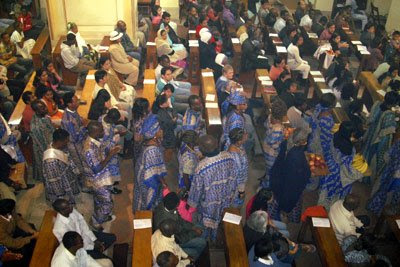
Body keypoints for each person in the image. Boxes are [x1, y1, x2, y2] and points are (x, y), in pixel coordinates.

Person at [187, 135, 237, 240]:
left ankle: (207, 240)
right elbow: (233, 177)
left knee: (206, 223)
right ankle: (215, 238)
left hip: (209, 202)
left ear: (202, 150)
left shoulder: (202, 167)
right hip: (225, 197)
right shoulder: (229, 156)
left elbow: (196, 189)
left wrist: (191, 204)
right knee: (220, 219)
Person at [83, 121, 121, 230]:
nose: (104, 132)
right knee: (107, 203)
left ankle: (101, 216)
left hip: (104, 176)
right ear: (95, 132)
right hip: (97, 180)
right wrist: (111, 154)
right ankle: (95, 221)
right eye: (101, 131)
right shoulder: (89, 149)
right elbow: (96, 169)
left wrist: (111, 149)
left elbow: (101, 151)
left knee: (99, 199)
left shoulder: (94, 140)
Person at [269, 128, 311, 223]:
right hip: (289, 184)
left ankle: (281, 212)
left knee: (279, 197)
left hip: (279, 177)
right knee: (287, 201)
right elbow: (300, 177)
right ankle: (284, 215)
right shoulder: (297, 156)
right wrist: (307, 171)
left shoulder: (287, 143)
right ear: (301, 141)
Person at [52, 199, 117, 260]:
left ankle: (99, 251)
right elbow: (74, 245)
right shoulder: (60, 228)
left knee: (112, 237)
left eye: (69, 204)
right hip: (81, 248)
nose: (71, 206)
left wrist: (94, 240)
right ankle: (97, 252)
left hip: (85, 235)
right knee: (109, 261)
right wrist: (93, 247)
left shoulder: (71, 210)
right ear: (61, 211)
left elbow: (84, 226)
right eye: (67, 207)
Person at [153, 192, 206, 260]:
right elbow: (178, 239)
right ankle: (193, 260)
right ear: (174, 206)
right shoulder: (167, 225)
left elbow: (180, 220)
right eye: (177, 205)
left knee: (200, 226)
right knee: (201, 243)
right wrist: (194, 233)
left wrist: (192, 227)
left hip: (179, 233)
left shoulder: (166, 205)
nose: (178, 206)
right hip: (178, 240)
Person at [133, 114, 167, 211]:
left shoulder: (151, 142)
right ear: (155, 132)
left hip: (144, 175)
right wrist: (164, 183)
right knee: (145, 202)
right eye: (160, 129)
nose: (162, 131)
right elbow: (154, 173)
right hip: (146, 180)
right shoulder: (152, 150)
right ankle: (144, 222)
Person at [362, 91, 398, 176]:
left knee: (366, 152)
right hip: (378, 138)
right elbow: (387, 132)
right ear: (394, 103)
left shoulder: (377, 104)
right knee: (374, 157)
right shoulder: (389, 115)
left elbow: (370, 119)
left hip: (371, 132)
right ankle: (368, 176)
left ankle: (362, 170)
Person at [43, 129, 80, 205]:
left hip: (67, 177)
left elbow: (68, 158)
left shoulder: (59, 146)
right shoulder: (51, 160)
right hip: (61, 185)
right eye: (66, 141)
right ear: (59, 142)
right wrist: (61, 196)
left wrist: (75, 170)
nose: (67, 143)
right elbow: (54, 181)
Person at [0, 199, 38, 266]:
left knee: (31, 227)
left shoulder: (10, 212)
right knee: (22, 252)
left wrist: (31, 231)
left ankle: (35, 250)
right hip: (6, 244)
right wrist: (31, 237)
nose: (15, 209)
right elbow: (12, 243)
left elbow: (18, 220)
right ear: (7, 212)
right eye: (13, 208)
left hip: (12, 231)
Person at [61, 92, 88, 186]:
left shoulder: (73, 111)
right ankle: (83, 185)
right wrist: (84, 127)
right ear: (69, 104)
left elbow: (78, 120)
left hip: (80, 143)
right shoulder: (67, 119)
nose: (78, 103)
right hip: (75, 146)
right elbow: (74, 138)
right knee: (80, 164)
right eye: (76, 101)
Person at [367, 139, 400, 216]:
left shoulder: (398, 142)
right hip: (396, 181)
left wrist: (391, 166)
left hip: (389, 173)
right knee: (392, 198)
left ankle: (375, 209)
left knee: (382, 190)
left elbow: (387, 155)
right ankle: (384, 217)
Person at [261, 99, 287, 188]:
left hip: (265, 147)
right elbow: (273, 142)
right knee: (271, 172)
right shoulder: (278, 129)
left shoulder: (270, 117)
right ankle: (265, 189)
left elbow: (265, 125)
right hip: (271, 153)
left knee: (268, 169)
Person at [99, 109, 126, 193]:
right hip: (105, 153)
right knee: (109, 170)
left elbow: (111, 128)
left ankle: (114, 180)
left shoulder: (103, 117)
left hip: (111, 147)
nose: (115, 123)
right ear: (111, 119)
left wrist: (115, 132)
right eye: (114, 121)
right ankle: (110, 188)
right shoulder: (103, 130)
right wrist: (117, 136)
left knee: (114, 166)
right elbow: (104, 145)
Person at [30, 100, 55, 181]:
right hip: (44, 149)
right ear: (36, 111)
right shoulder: (36, 126)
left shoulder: (42, 115)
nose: (45, 109)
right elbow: (43, 145)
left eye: (44, 106)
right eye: (42, 108)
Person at [228, 128, 248, 207]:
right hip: (237, 185)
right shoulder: (235, 156)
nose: (246, 136)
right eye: (244, 136)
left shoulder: (237, 146)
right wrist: (241, 190)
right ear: (239, 141)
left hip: (239, 181)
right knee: (237, 203)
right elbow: (239, 175)